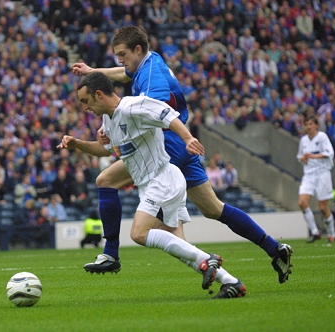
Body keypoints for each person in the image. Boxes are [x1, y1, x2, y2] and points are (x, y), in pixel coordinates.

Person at [71, 26, 292, 284]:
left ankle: (111, 254)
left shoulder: (151, 74)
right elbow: (124, 73)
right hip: (182, 145)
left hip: (170, 143)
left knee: (107, 182)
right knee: (213, 209)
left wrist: (115, 126)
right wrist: (94, 72)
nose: (120, 60)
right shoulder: (148, 64)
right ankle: (273, 249)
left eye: (122, 53)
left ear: (138, 49)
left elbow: (153, 107)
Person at [58, 72, 246, 299]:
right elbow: (105, 149)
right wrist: (77, 143)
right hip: (151, 184)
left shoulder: (133, 106)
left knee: (139, 233)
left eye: (85, 101)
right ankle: (232, 282)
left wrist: (187, 139)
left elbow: (168, 116)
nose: (85, 107)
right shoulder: (109, 118)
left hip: (162, 179)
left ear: (98, 94)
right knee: (180, 247)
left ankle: (207, 260)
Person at [297, 115, 335, 243]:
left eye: (310, 124)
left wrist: (313, 156)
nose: (308, 127)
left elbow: (329, 153)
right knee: (302, 202)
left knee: (323, 208)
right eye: (306, 124)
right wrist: (302, 159)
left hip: (322, 174)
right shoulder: (303, 140)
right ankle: (315, 232)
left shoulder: (322, 137)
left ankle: (332, 234)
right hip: (308, 174)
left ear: (316, 125)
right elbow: (300, 156)